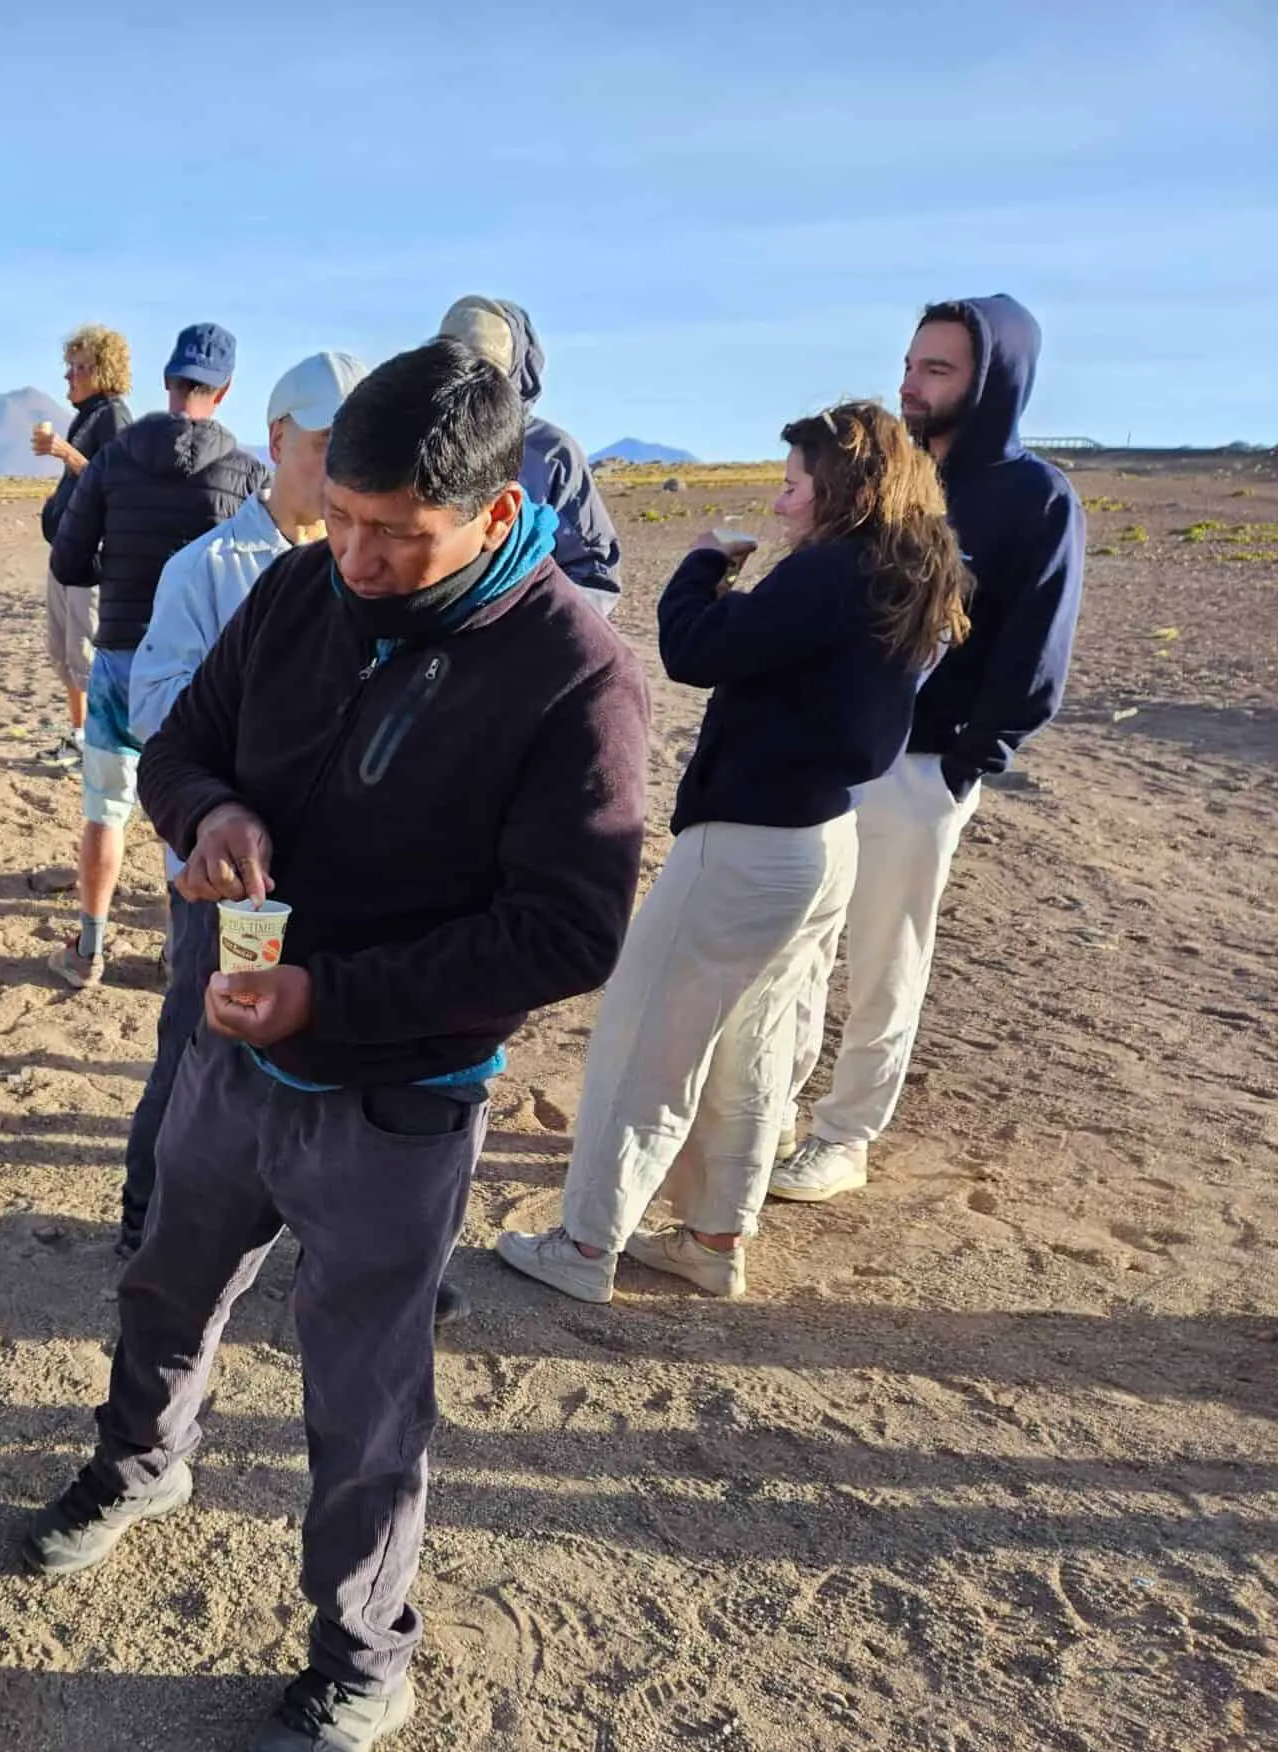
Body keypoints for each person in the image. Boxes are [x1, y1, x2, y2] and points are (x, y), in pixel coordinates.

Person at [19, 344, 649, 1752]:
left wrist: (332, 998)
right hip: (234, 1056)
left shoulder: (573, 675)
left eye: (396, 535)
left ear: (494, 516)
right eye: (344, 519)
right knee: (168, 1277)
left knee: (366, 1395)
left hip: (394, 1097)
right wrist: (214, 810)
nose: (355, 557)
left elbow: (569, 928)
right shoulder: (299, 590)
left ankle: (363, 1658)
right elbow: (174, 742)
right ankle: (139, 1463)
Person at [499, 402, 968, 1303]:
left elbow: (693, 648)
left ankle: (587, 1245)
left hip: (750, 843)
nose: (784, 503)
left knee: (648, 1043)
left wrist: (707, 561)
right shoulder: (908, 577)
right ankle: (714, 1238)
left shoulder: (830, 573)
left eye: (796, 485)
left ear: (844, 488)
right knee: (756, 1047)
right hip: (827, 841)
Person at [772, 295, 1084, 1203]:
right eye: (910, 364)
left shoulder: (1036, 499)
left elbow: (1036, 653)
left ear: (993, 381)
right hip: (832, 753)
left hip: (922, 767)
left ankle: (844, 1135)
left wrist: (964, 762)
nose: (911, 384)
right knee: (798, 939)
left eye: (937, 369)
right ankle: (772, 1107)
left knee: (883, 954)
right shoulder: (890, 479)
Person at [117, 349, 365, 1254]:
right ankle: (150, 1214)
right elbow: (155, 709)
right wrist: (234, 779)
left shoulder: (374, 570)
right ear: (278, 439)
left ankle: (336, 1235)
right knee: (199, 1035)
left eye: (359, 446)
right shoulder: (210, 568)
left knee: (326, 1048)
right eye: (327, 445)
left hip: (335, 865)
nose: (343, 467)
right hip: (224, 866)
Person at [44, 322, 267, 989]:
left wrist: (121, 572)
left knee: (104, 810)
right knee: (190, 811)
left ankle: (89, 949)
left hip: (118, 660)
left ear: (169, 382)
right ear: (224, 390)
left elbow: (68, 559)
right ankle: (179, 950)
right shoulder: (245, 474)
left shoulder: (116, 457)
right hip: (200, 676)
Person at [436, 297, 626, 616]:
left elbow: (593, 576)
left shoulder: (550, 455)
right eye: (453, 365)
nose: (467, 383)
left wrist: (529, 628)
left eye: (483, 369)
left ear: (517, 373)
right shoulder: (415, 440)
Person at [30, 325, 134, 768]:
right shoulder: (86, 413)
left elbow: (117, 481)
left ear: (103, 370)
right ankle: (78, 735)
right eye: (69, 366)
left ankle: (98, 744)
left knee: (86, 653)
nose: (70, 376)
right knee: (63, 651)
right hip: (66, 554)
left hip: (92, 560)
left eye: (80, 367)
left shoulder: (114, 416)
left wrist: (63, 453)